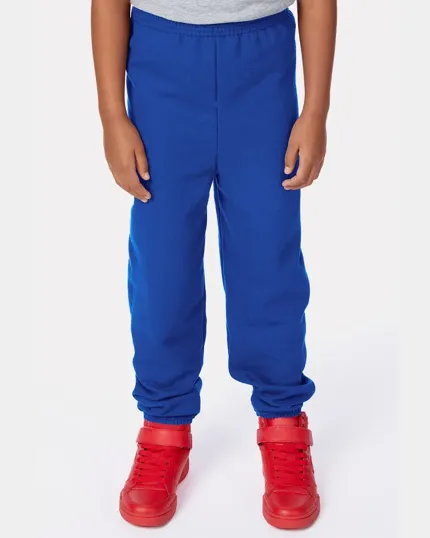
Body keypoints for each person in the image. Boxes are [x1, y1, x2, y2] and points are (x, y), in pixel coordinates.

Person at [91, 0, 336, 529]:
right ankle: (164, 424)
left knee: (268, 255)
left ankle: (283, 420)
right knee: (162, 265)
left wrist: (315, 111)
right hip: (161, 62)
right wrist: (112, 115)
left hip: (262, 63)